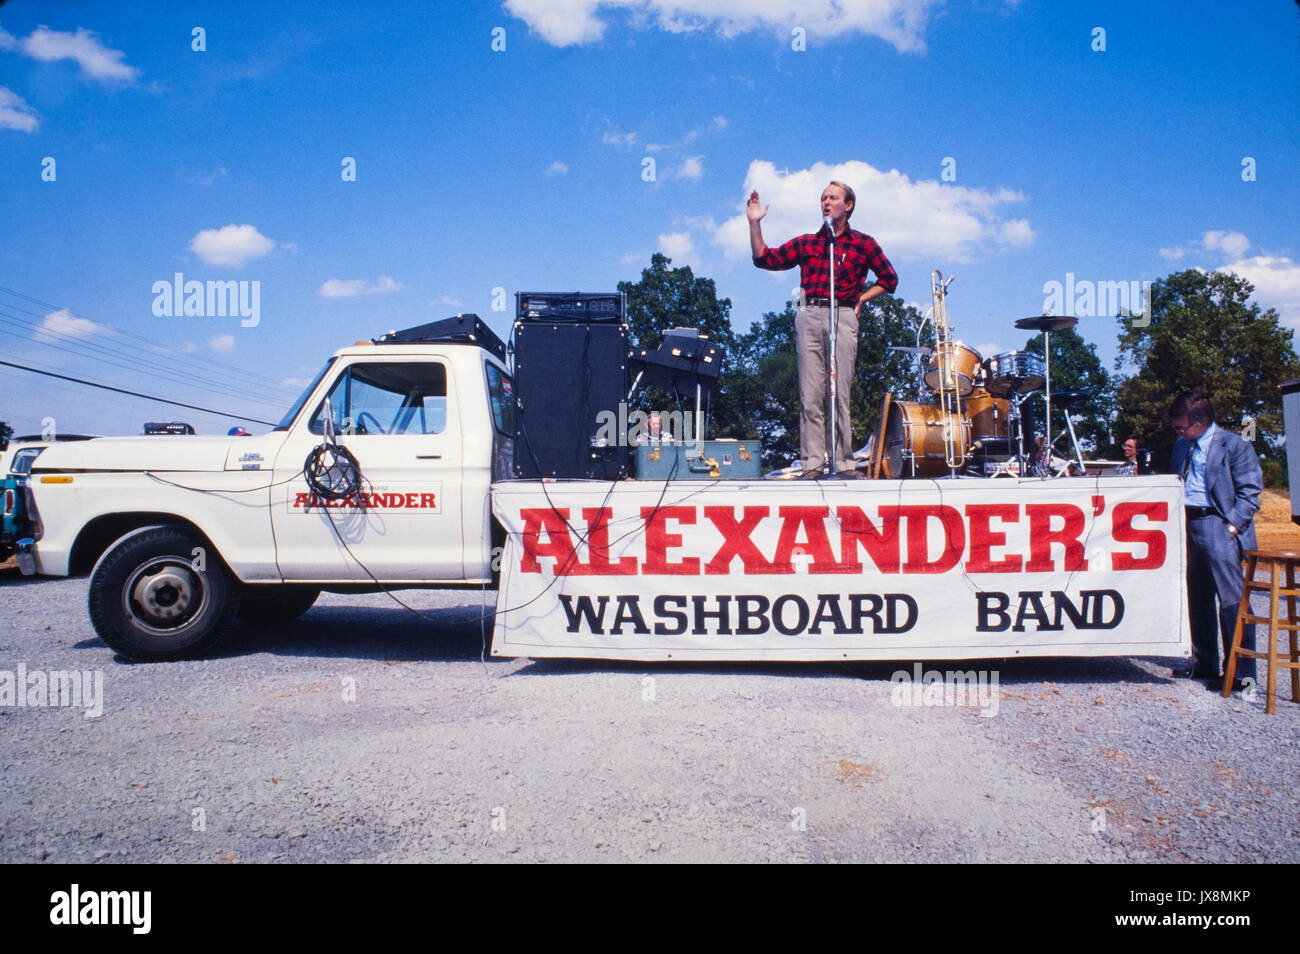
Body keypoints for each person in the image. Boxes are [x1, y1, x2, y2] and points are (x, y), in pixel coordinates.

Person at [749, 182, 897, 478]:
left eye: (833, 198)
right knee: (811, 394)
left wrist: (861, 299)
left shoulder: (863, 243)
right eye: (823, 198)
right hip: (809, 312)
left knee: (839, 392)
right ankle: (813, 463)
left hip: (842, 313)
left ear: (849, 205)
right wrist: (754, 224)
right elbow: (764, 259)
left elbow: (889, 279)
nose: (826, 202)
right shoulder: (807, 242)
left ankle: (843, 463)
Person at [1169, 391, 1261, 688]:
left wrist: (1232, 527)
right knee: (1197, 598)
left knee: (1232, 600)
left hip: (1218, 524)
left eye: (1182, 427)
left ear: (1202, 422)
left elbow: (1250, 492)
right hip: (1188, 522)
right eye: (1176, 428)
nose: (1179, 432)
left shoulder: (1236, 445)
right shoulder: (1181, 446)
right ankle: (1204, 662)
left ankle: (1241, 673)